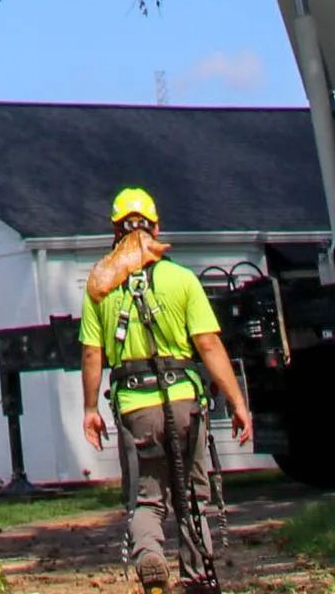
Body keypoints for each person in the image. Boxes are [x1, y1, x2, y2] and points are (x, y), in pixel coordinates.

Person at [79, 187, 254, 593]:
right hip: (185, 403)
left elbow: (92, 354)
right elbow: (209, 345)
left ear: (114, 232)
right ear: (156, 228)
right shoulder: (182, 279)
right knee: (192, 495)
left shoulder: (100, 289)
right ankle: (198, 579)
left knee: (146, 499)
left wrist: (90, 408)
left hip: (136, 408)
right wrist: (238, 402)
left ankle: (151, 558)